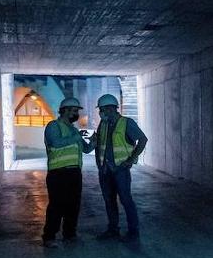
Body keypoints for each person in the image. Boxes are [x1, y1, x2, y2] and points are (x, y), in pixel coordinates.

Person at [93, 93, 148, 241]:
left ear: (110, 109)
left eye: (102, 110)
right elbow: (99, 144)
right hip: (105, 171)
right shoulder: (103, 125)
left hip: (120, 170)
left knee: (125, 199)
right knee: (109, 200)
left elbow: (142, 139)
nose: (100, 113)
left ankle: (133, 232)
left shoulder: (127, 123)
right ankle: (113, 229)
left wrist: (131, 159)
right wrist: (100, 164)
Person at [42, 96, 94, 248]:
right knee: (56, 205)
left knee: (73, 205)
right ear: (64, 111)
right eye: (74, 111)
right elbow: (55, 143)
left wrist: (94, 142)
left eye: (77, 111)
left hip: (74, 173)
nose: (76, 114)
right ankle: (49, 237)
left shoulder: (73, 129)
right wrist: (75, 137)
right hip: (58, 173)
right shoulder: (53, 126)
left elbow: (86, 149)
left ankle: (69, 234)